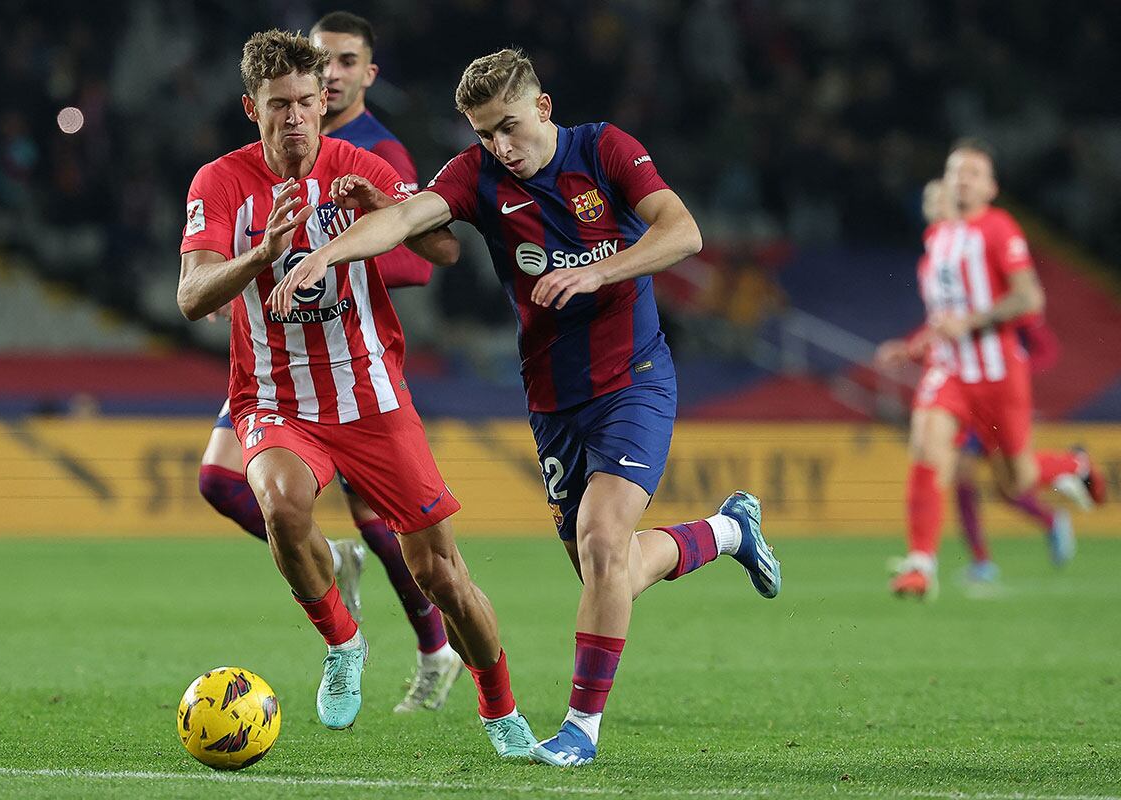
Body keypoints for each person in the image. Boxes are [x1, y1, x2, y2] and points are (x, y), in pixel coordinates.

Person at [269, 47, 782, 767]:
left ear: (542, 108)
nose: (500, 147)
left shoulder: (604, 150)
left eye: (508, 127)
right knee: (612, 570)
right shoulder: (478, 175)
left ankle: (579, 731)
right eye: (484, 134)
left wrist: (600, 269)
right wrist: (331, 255)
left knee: (605, 545)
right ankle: (728, 531)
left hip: (633, 377)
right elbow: (412, 215)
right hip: (551, 399)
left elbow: (682, 231)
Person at [177, 30, 536, 757]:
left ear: (324, 101)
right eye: (279, 105)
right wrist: (259, 254)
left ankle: (501, 710)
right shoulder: (219, 182)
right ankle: (344, 642)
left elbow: (442, 249)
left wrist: (382, 205)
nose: (296, 119)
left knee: (441, 573)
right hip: (277, 399)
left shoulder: (358, 164)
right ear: (253, 108)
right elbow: (189, 296)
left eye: (308, 102)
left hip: (372, 397)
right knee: (278, 502)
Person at [195, 11, 463, 713]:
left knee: (387, 518)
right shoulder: (252, 162)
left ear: (365, 75)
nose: (333, 74)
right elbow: (197, 284)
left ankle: (434, 647)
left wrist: (330, 265)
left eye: (346, 61)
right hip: (272, 362)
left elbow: (423, 257)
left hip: (353, 358)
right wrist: (253, 270)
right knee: (224, 483)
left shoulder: (374, 153)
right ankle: (332, 564)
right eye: (324, 61)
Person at [879, 142, 1104, 600]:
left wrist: (972, 322)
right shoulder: (937, 245)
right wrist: (916, 345)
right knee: (928, 451)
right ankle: (921, 564)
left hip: (999, 376)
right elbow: (946, 315)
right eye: (954, 172)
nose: (961, 180)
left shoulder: (999, 229)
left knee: (1014, 481)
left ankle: (1073, 464)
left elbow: (1030, 299)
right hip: (950, 374)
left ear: (990, 187)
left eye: (972, 174)